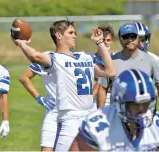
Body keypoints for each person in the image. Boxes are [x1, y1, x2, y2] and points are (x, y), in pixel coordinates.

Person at [11, 20, 116, 151]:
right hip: (69, 119)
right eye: (71, 32)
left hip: (89, 116)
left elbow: (111, 72)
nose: (75, 35)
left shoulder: (85, 57)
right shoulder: (55, 58)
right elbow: (34, 56)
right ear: (59, 35)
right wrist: (21, 43)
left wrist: (100, 42)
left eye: (75, 32)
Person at [70, 69, 159, 151]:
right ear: (120, 103)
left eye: (145, 103)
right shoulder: (97, 126)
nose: (141, 109)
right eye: (135, 104)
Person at [98, 23, 159, 113]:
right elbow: (103, 88)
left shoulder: (150, 60)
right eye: (125, 36)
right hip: (118, 114)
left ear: (138, 38)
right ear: (120, 39)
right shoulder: (111, 62)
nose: (129, 40)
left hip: (145, 113)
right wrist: (100, 112)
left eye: (133, 36)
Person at [19, 53, 57, 151]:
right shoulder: (48, 58)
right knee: (46, 147)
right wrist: (39, 98)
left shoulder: (80, 59)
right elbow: (24, 77)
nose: (74, 36)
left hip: (74, 112)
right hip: (53, 111)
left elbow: (97, 80)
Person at [135, 22, 159, 115]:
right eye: (136, 39)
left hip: (148, 108)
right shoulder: (120, 59)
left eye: (142, 40)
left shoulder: (156, 60)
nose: (139, 43)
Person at [94, 24, 115, 107]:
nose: (106, 42)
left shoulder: (116, 58)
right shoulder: (90, 59)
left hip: (110, 98)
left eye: (108, 40)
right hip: (93, 99)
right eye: (103, 40)